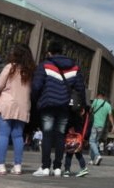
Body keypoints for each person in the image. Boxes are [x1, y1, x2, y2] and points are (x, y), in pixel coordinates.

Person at [31, 41, 86, 177]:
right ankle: (57, 168)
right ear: (62, 52)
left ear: (49, 52)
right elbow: (80, 89)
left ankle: (45, 167)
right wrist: (82, 106)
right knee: (60, 135)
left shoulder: (45, 65)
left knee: (47, 134)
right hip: (64, 106)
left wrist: (35, 101)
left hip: (48, 104)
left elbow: (36, 86)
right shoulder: (74, 68)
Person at [0, 43, 35, 176]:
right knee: (18, 136)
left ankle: (1, 165)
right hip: (23, 106)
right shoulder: (31, 71)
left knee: (3, 135)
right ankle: (17, 166)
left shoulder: (10, 67)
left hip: (7, 104)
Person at [88, 92, 114, 166]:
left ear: (98, 96)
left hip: (95, 125)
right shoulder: (108, 105)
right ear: (104, 97)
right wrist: (113, 126)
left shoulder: (96, 101)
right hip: (101, 127)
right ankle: (92, 160)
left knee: (91, 141)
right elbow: (110, 116)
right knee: (96, 142)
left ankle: (97, 155)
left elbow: (90, 110)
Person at [63, 107, 90, 177]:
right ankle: (83, 168)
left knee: (69, 155)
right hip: (78, 138)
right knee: (79, 155)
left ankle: (67, 170)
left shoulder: (70, 117)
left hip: (72, 138)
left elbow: (68, 127)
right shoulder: (80, 118)